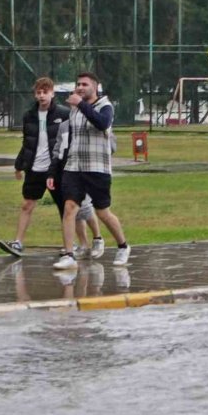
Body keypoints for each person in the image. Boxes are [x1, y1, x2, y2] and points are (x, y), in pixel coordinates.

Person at [48, 71, 130, 270]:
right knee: (69, 209)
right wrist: (54, 171)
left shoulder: (105, 106)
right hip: (74, 167)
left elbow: (102, 123)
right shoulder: (75, 109)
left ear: (95, 86)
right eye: (78, 84)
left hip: (97, 168)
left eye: (85, 84)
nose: (80, 87)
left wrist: (81, 105)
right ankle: (68, 254)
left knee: (103, 212)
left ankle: (123, 245)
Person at [0, 77, 68, 257]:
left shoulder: (63, 114)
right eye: (39, 92)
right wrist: (19, 165)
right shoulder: (29, 116)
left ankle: (70, 245)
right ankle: (18, 243)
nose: (42, 96)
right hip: (35, 169)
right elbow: (27, 143)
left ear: (52, 93)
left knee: (65, 208)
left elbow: (67, 142)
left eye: (45, 92)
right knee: (27, 204)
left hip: (55, 170)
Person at [50, 118, 105, 260]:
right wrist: (52, 172)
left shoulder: (92, 123)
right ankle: (84, 245)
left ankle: (97, 238)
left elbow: (109, 144)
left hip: (86, 170)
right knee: (72, 209)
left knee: (85, 207)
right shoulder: (64, 126)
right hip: (67, 171)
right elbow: (57, 150)